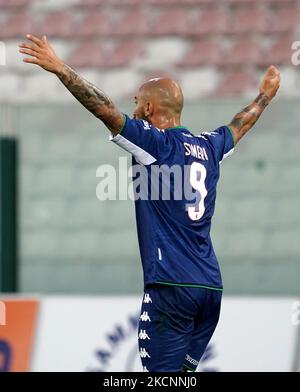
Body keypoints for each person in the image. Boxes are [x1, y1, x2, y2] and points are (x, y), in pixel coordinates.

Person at [19, 35, 280, 372]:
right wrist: (265, 96)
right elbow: (239, 124)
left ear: (151, 110)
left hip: (172, 289)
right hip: (210, 289)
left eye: (138, 103)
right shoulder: (208, 147)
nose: (134, 109)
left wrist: (60, 69)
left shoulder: (154, 144)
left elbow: (103, 109)